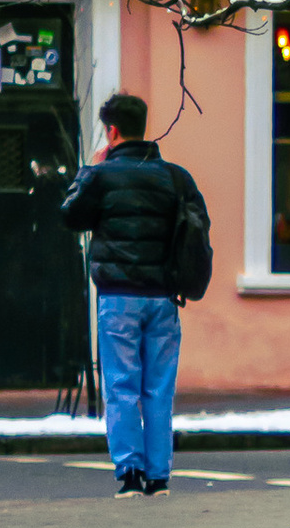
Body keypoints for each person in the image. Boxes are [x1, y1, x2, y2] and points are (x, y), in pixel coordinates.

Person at [60, 90, 211, 497]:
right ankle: (159, 476)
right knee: (159, 389)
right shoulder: (175, 177)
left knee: (121, 386)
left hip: (118, 298)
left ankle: (129, 473)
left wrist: (88, 172)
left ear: (111, 132)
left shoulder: (102, 175)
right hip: (163, 298)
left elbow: (71, 215)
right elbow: (198, 226)